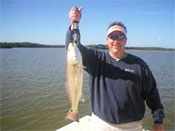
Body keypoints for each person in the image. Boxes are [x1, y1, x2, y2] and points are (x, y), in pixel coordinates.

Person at [66, 7, 165, 131]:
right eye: (112, 36)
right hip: (100, 123)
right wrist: (74, 23)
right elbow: (73, 45)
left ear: (126, 40)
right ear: (107, 40)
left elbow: (152, 95)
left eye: (120, 36)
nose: (116, 40)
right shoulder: (96, 59)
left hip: (132, 126)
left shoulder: (140, 65)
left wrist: (158, 120)